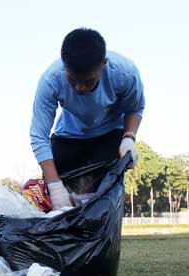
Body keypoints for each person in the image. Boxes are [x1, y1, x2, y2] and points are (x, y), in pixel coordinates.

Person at [30, 28, 144, 209]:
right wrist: (55, 186)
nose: (80, 88)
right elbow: (39, 136)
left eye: (88, 81)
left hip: (109, 134)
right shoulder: (51, 80)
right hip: (67, 136)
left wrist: (129, 138)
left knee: (103, 205)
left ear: (104, 64)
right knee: (58, 204)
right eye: (72, 80)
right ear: (64, 66)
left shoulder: (125, 73)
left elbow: (135, 107)